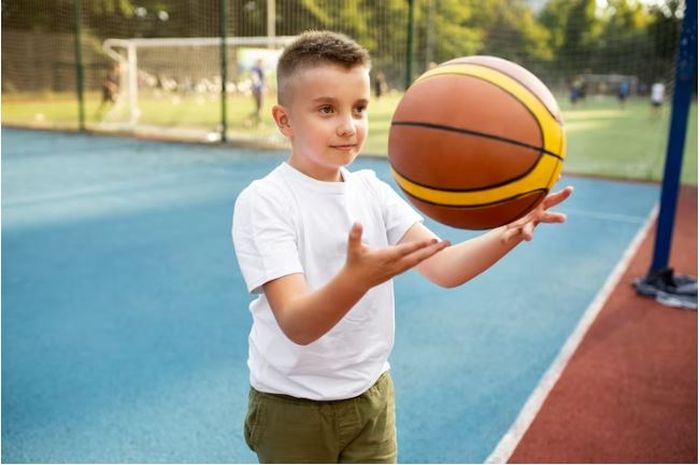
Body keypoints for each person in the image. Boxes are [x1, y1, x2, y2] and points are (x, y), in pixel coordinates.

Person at [231, 30, 572, 464]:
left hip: (371, 394)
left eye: (359, 109)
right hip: (292, 407)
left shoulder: (372, 191)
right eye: (326, 110)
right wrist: (356, 280)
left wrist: (509, 231)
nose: (348, 126)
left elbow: (444, 267)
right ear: (284, 121)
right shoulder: (265, 201)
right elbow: (298, 324)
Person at [247, 58, 265, 127]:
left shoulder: (255, 69)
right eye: (262, 63)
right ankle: (259, 123)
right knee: (260, 108)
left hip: (256, 90)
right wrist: (261, 88)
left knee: (258, 108)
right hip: (258, 90)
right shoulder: (257, 69)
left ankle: (251, 120)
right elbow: (256, 80)